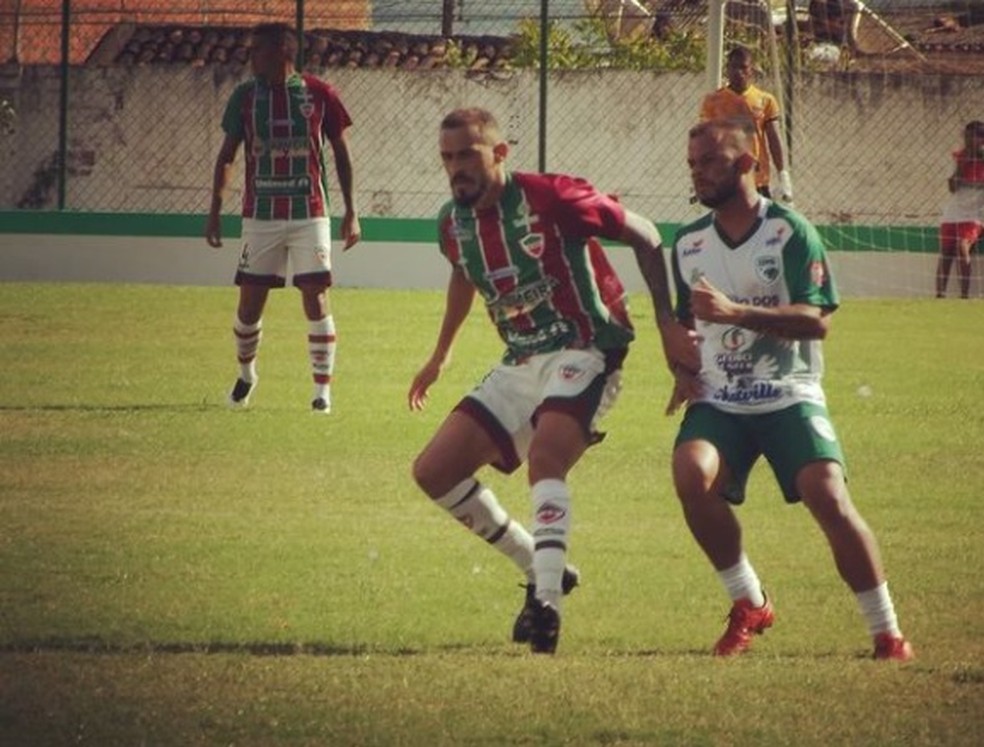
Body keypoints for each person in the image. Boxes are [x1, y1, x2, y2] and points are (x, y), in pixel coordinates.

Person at [408, 107, 698, 654]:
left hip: (586, 346)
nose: (455, 168)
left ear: (500, 153)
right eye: (447, 157)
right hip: (520, 359)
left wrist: (667, 323)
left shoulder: (553, 197)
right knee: (433, 472)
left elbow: (646, 234)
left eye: (467, 154)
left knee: (545, 459)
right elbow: (464, 272)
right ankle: (545, 568)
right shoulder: (452, 222)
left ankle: (545, 603)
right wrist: (440, 354)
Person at [667, 118, 913, 661]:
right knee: (690, 471)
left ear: (748, 162)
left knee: (827, 492)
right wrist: (682, 370)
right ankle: (749, 601)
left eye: (709, 161)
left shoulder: (789, 231)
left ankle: (887, 632)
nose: (699, 173)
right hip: (721, 399)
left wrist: (737, 312)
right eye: (692, 164)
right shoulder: (687, 242)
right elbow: (685, 322)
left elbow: (816, 320)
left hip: (789, 391)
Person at [205, 22, 361, 413]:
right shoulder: (244, 97)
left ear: (282, 51)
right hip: (261, 216)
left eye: (258, 49)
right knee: (249, 306)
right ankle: (246, 376)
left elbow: (341, 152)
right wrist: (214, 211)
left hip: (310, 213)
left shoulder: (319, 94)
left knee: (316, 297)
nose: (251, 56)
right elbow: (227, 156)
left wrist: (352, 211)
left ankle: (322, 394)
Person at [699, 45, 792, 202]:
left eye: (743, 67)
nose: (738, 72)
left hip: (757, 180)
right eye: (733, 67)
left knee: (759, 224)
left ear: (751, 70)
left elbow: (774, 139)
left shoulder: (765, 100)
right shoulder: (713, 101)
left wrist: (783, 175)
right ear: (727, 69)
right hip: (725, 181)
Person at [936, 120, 984, 299]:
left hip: (975, 215)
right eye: (967, 136)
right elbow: (952, 187)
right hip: (953, 214)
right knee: (946, 252)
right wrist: (963, 164)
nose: (970, 141)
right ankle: (939, 295)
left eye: (975, 137)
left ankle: (964, 296)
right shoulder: (958, 157)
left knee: (962, 245)